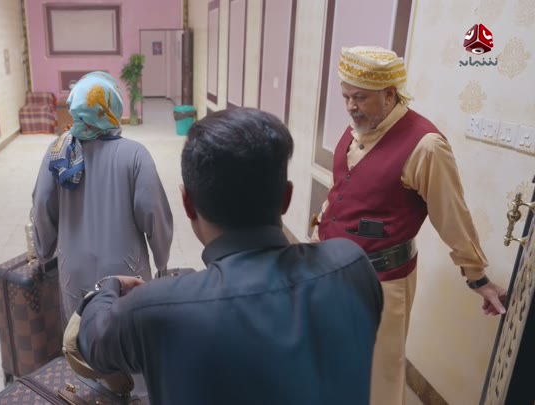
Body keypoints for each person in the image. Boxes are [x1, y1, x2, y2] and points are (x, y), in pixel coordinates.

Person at [71, 108, 384, 404]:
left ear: (188, 204)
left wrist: (106, 288)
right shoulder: (351, 266)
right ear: (286, 198)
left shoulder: (155, 309)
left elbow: (93, 342)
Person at [311, 46, 509, 405]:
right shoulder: (358, 127)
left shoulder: (426, 146)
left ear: (390, 94)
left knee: (379, 373)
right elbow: (342, 191)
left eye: (361, 97)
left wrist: (477, 276)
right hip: (329, 269)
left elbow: (452, 214)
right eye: (346, 97)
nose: (351, 106)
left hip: (381, 280)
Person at [31, 71, 174, 326]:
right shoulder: (135, 155)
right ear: (112, 108)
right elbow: (154, 213)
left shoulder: (58, 152)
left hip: (73, 270)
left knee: (80, 336)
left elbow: (42, 205)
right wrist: (161, 260)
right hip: (126, 272)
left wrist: (44, 252)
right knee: (129, 336)